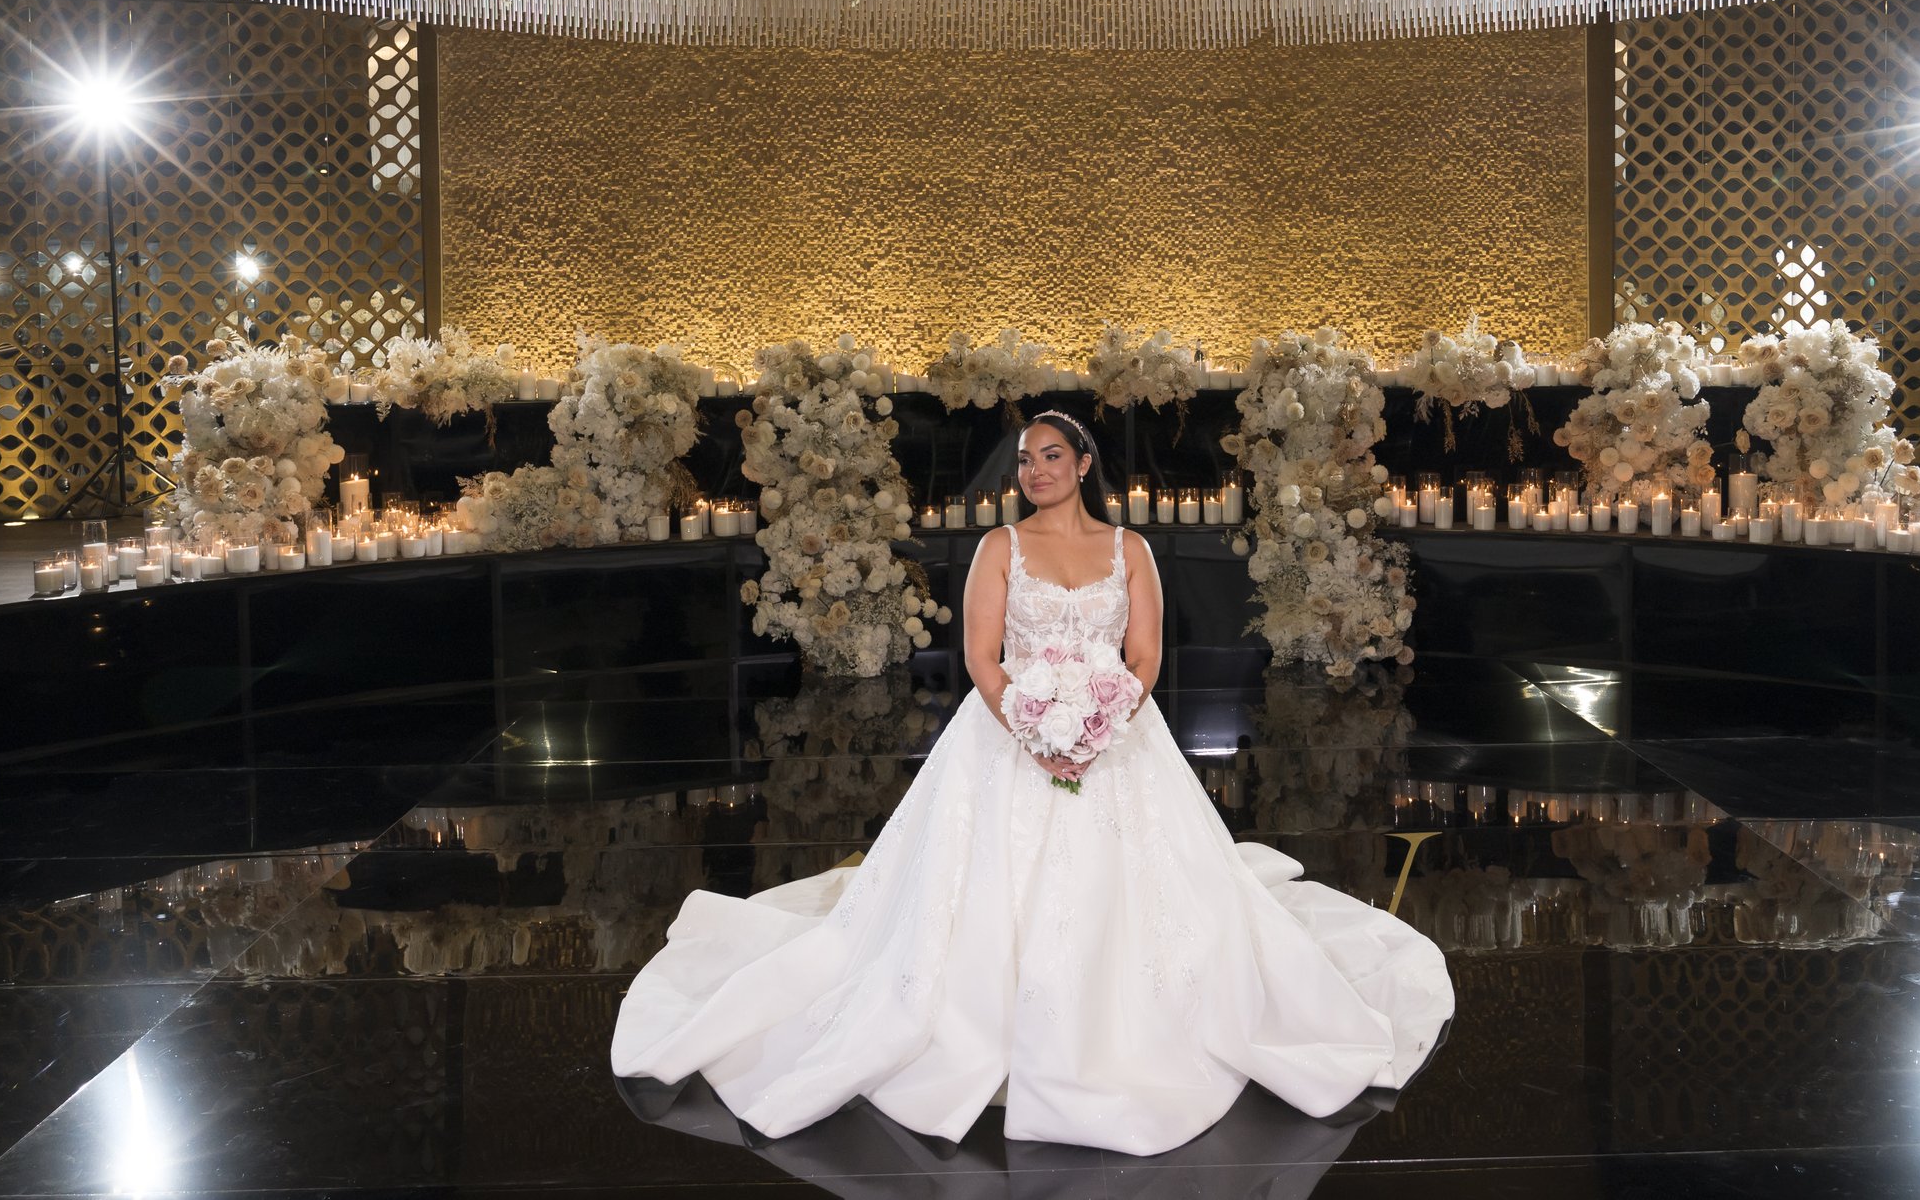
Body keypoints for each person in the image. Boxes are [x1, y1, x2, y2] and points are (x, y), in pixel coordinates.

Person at [609, 409, 1453, 1157]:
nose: (1035, 471)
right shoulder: (997, 548)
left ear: (1083, 464)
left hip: (1118, 735)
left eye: (1051, 456)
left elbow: (1147, 656)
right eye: (1024, 460)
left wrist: (1102, 721)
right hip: (1010, 731)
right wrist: (1037, 730)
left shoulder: (1131, 549)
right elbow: (979, 658)